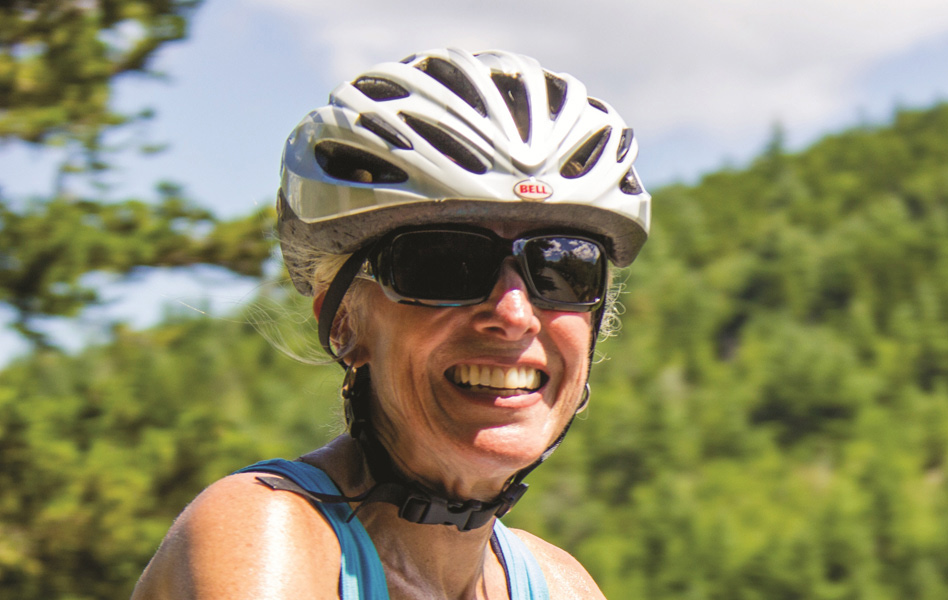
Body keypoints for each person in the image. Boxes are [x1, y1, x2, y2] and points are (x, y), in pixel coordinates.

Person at [131, 47, 650, 599]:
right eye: (445, 266)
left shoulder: (560, 584)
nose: (515, 314)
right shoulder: (267, 533)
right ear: (344, 325)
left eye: (562, 267)